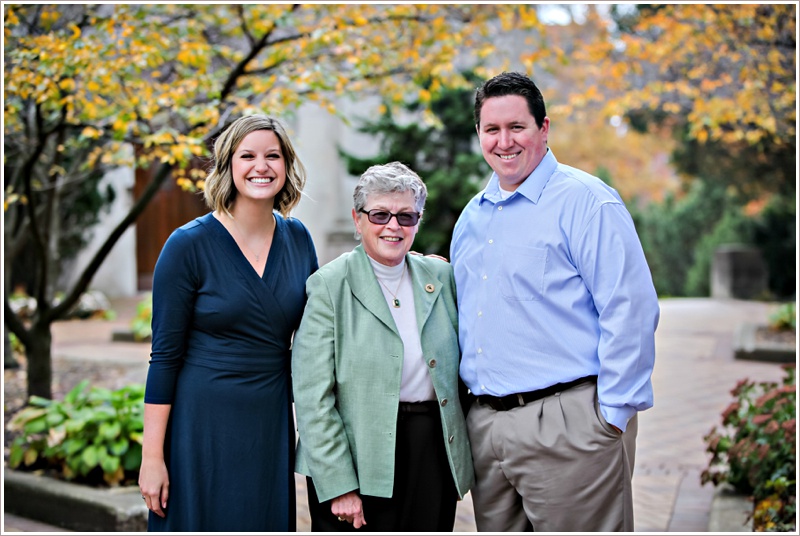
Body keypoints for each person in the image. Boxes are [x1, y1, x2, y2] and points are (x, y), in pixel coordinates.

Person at [450, 71, 660, 532]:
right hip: (487, 429)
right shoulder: (472, 217)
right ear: (480, 135)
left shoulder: (586, 202)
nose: (504, 141)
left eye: (517, 127)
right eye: (491, 130)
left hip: (570, 425)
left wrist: (612, 416)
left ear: (543, 129)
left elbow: (630, 309)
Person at [138, 114, 318, 531]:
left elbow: (317, 333)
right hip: (200, 420)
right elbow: (163, 358)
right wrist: (152, 458)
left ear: (287, 166)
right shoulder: (187, 245)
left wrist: (412, 268)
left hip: (268, 419)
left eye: (273, 155)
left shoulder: (299, 239)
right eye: (248, 155)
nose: (262, 166)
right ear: (228, 165)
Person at [291, 161, 474, 532]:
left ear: (418, 222)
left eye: (406, 216)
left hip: (430, 452)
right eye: (380, 214)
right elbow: (312, 397)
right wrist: (340, 486)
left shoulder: (440, 278)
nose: (393, 226)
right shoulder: (329, 285)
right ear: (358, 220)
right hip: (356, 457)